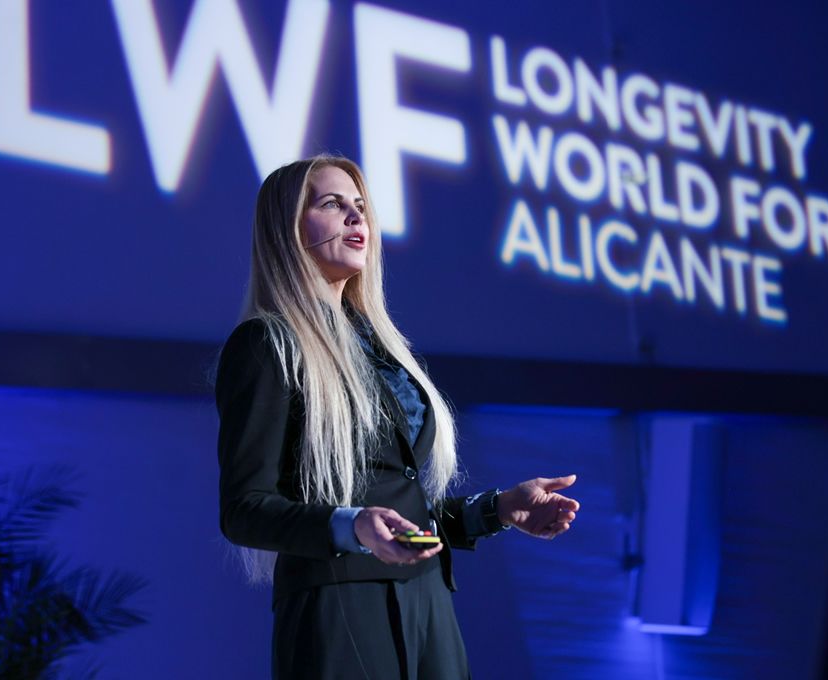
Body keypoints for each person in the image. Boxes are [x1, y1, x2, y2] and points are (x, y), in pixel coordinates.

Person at [216, 155, 580, 679]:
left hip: (430, 607)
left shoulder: (381, 348)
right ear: (287, 229)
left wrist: (497, 510)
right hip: (340, 612)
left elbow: (401, 509)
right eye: (332, 204)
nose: (355, 218)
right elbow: (243, 510)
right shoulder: (266, 345)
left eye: (360, 207)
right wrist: (352, 526)